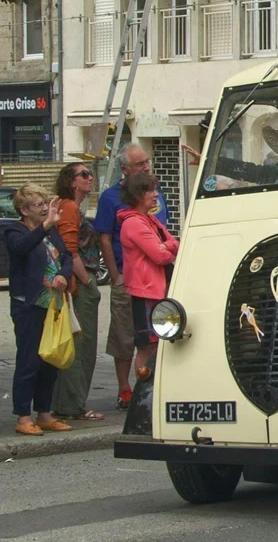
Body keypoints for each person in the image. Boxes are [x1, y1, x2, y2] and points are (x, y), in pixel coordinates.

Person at [94, 142, 169, 409]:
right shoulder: (111, 197)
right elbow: (104, 238)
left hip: (156, 278)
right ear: (125, 169)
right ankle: (125, 388)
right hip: (128, 274)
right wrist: (115, 275)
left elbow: (164, 232)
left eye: (147, 161)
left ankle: (149, 387)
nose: (146, 166)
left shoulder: (155, 192)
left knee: (152, 334)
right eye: (140, 164)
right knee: (125, 333)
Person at [4, 184, 74, 435]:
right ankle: (23, 416)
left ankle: (44, 413)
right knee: (29, 359)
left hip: (53, 302)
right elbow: (21, 248)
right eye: (39, 205)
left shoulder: (51, 230)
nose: (45, 209)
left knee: (49, 359)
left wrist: (64, 276)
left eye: (46, 203)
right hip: (29, 303)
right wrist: (45, 226)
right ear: (23, 210)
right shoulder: (14, 230)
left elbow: (65, 255)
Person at [51, 163, 104, 421]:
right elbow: (70, 250)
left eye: (90, 173)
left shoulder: (69, 206)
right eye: (84, 174)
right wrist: (87, 282)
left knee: (75, 343)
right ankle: (74, 405)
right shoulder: (69, 207)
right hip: (79, 285)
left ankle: (66, 402)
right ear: (72, 182)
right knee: (82, 346)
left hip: (76, 283)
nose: (90, 178)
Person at [118, 173, 179, 373]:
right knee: (147, 347)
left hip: (157, 291)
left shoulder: (150, 220)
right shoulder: (134, 223)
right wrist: (166, 248)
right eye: (150, 191)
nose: (156, 195)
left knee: (157, 344)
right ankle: (144, 392)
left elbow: (176, 244)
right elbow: (160, 256)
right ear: (137, 195)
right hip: (146, 293)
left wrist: (166, 245)